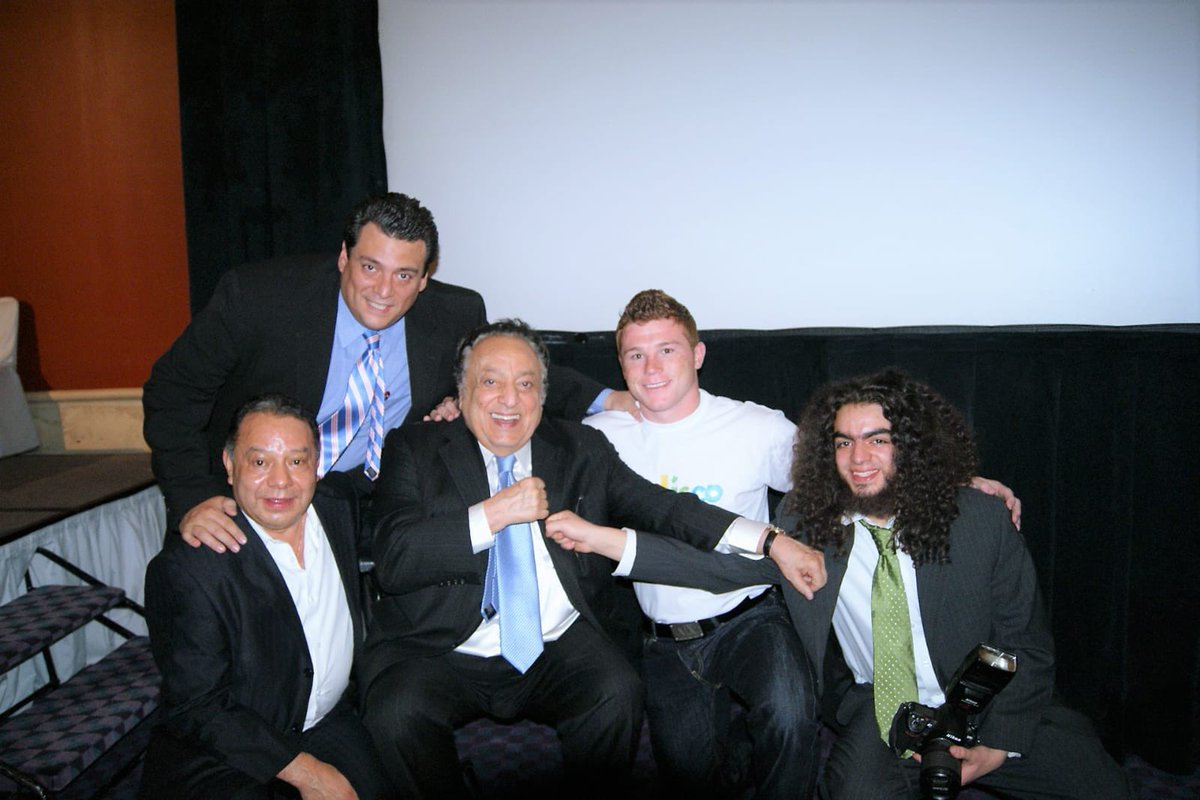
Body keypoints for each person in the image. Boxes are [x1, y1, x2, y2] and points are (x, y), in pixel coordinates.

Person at [556, 370, 1131, 799]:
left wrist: (995, 747)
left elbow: (1026, 644)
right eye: (842, 442)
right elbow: (714, 567)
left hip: (992, 708)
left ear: (911, 446)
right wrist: (602, 539)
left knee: (1108, 792)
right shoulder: (813, 525)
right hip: (886, 714)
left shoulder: (978, 520)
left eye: (878, 439)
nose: (858, 459)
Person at [358, 319, 827, 799]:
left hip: (554, 642)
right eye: (491, 381)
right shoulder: (414, 447)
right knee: (396, 711)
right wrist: (492, 515)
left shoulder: (580, 448)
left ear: (543, 394)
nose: (509, 399)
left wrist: (770, 540)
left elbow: (667, 507)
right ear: (462, 391)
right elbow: (394, 557)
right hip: (443, 647)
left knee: (616, 692)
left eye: (525, 384)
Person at [143, 192, 630, 553]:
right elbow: (171, 392)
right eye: (370, 267)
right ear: (343, 257)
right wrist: (192, 497)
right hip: (269, 488)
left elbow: (517, 371)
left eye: (404, 275)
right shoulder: (259, 299)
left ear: (424, 279)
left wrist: (612, 400)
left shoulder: (453, 315)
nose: (384, 290)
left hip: (383, 494)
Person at [584, 289, 820, 798]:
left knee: (789, 716)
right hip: (663, 639)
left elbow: (850, 474)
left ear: (698, 354)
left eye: (667, 349)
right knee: (694, 776)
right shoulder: (599, 438)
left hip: (749, 617)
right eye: (635, 355)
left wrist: (958, 481)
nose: (651, 368)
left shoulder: (756, 427)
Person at [141, 395, 390, 800]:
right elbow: (198, 708)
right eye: (259, 462)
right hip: (226, 751)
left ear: (317, 464)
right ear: (228, 463)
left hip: (326, 722)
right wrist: (308, 775)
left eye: (296, 461)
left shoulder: (337, 505)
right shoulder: (190, 568)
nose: (280, 481)